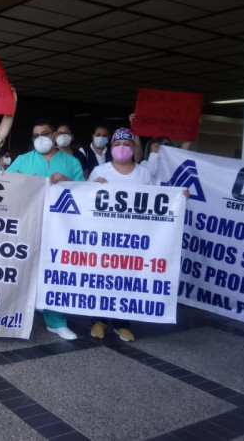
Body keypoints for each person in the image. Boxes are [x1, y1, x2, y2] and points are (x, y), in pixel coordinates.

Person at [8, 118, 84, 340]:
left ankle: (56, 321)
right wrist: (22, 182)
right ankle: (16, 319)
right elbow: (5, 186)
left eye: (45, 134)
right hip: (26, 225)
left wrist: (67, 181)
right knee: (22, 271)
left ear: (54, 136)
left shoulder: (71, 162)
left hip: (59, 228)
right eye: (36, 135)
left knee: (55, 272)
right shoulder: (22, 160)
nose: (41, 138)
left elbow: (84, 193)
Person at [87, 127, 155, 342]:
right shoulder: (101, 171)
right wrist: (92, 189)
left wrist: (179, 198)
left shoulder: (144, 173)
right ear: (111, 148)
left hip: (133, 238)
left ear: (134, 148)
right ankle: (98, 320)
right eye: (117, 145)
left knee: (126, 280)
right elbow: (86, 202)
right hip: (104, 237)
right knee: (101, 279)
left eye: (126, 144)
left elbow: (157, 201)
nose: (122, 148)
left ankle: (122, 323)